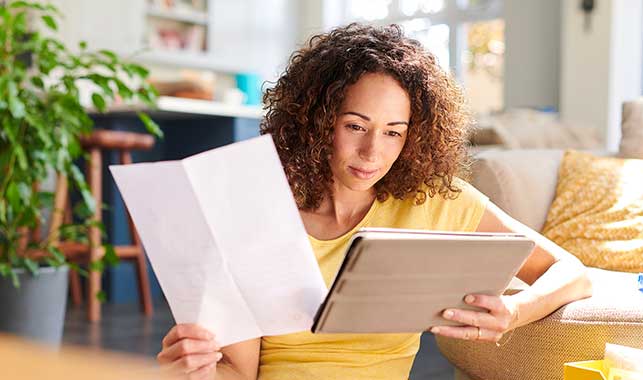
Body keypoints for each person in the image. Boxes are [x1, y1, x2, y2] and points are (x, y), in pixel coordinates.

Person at [156, 23, 592, 380]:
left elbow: (571, 272)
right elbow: (239, 371)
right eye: (355, 126)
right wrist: (199, 370)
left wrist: (514, 311)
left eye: (393, 132)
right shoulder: (257, 209)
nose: (372, 153)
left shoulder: (434, 200)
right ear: (317, 121)